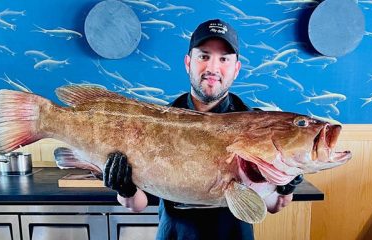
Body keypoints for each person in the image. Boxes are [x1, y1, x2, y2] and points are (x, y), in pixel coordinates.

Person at [103, 19, 303, 240]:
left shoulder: (260, 127)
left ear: (236, 69)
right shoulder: (159, 121)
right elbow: (138, 205)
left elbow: (274, 204)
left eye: (224, 59)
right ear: (188, 62)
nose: (212, 68)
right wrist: (125, 189)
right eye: (204, 56)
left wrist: (285, 187)